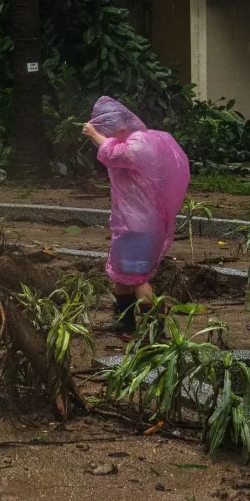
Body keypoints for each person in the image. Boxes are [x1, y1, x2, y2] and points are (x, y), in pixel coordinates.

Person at [82, 96, 190, 334]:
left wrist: (94, 134)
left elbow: (115, 155)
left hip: (139, 226)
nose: (107, 138)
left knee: (137, 277)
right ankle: (126, 323)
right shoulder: (144, 137)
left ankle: (155, 327)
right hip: (133, 223)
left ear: (121, 127)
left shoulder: (139, 141)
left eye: (110, 133)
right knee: (122, 274)